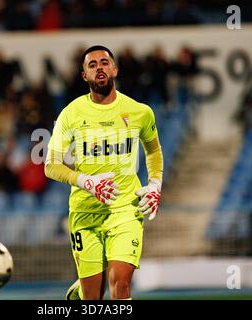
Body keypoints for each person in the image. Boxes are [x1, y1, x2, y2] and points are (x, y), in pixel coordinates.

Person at [44, 45, 163, 300]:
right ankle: (83, 289)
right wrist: (85, 181)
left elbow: (153, 151)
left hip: (125, 209)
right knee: (93, 298)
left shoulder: (140, 112)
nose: (99, 67)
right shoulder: (70, 114)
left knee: (119, 284)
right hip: (85, 213)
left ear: (115, 69)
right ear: (84, 76)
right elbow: (50, 165)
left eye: (104, 62)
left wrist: (155, 184)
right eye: (92, 64)